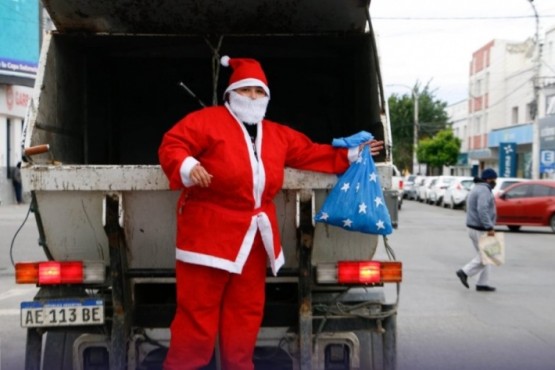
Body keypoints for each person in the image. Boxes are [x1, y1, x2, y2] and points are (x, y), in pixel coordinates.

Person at [158, 55, 384, 370]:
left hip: (253, 238)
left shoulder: (277, 134)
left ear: (266, 97)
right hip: (207, 239)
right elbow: (172, 145)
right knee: (196, 318)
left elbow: (311, 152)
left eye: (258, 91)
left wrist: (352, 153)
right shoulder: (206, 121)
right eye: (246, 89)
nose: (252, 96)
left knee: (246, 315)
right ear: (231, 93)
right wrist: (188, 165)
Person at [456, 168, 498, 292]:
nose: (495, 182)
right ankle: (464, 272)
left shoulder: (477, 188)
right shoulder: (484, 190)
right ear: (488, 179)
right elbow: (482, 210)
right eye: (493, 180)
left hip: (474, 227)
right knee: (489, 255)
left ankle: (482, 283)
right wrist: (489, 226)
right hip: (480, 228)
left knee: (485, 256)